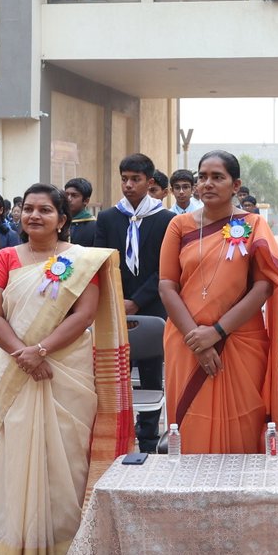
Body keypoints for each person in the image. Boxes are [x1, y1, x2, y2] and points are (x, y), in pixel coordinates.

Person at [0, 183, 131, 555]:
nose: (34, 215)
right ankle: (19, 546)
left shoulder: (82, 260)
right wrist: (24, 355)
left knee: (68, 456)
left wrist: (41, 350)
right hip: (16, 367)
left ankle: (66, 547)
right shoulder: (7, 256)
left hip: (67, 367)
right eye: (28, 209)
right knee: (18, 454)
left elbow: (85, 314)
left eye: (45, 210)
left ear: (62, 219)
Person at [157, 150, 278, 454]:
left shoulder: (254, 225)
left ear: (236, 185)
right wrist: (197, 340)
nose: (207, 183)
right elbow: (167, 286)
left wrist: (217, 332)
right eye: (202, 177)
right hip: (186, 340)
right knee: (190, 424)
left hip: (241, 339)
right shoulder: (179, 226)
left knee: (244, 423)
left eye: (217, 177)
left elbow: (263, 287)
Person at [94, 153, 176, 452]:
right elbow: (103, 261)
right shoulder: (108, 218)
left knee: (152, 372)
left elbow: (166, 267)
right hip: (115, 305)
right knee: (116, 373)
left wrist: (137, 301)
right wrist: (119, 299)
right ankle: (118, 433)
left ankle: (149, 436)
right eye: (124, 179)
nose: (128, 185)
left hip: (152, 306)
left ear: (149, 182)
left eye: (135, 179)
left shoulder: (166, 220)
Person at [64, 177, 97, 245]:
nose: (68, 199)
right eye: (66, 195)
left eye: (74, 195)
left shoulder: (94, 226)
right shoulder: (58, 222)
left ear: (86, 201)